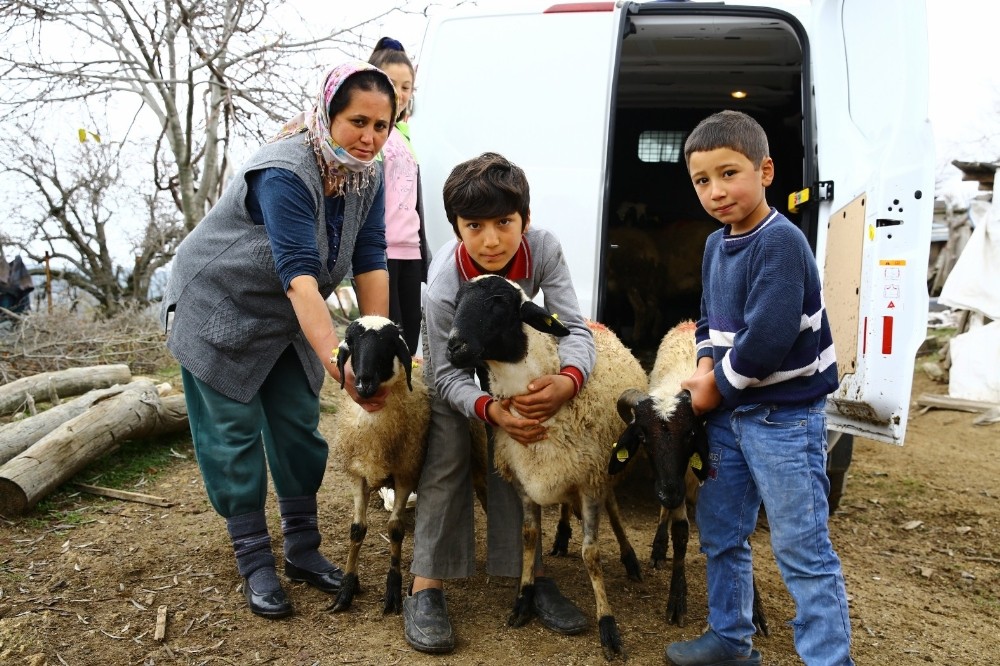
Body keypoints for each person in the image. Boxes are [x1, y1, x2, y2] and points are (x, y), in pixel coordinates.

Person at [160, 60, 396, 620]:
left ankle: (302, 550)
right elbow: (297, 275)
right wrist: (341, 367)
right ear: (328, 115)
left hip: (286, 316)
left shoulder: (369, 172)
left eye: (381, 126)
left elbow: (370, 255)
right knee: (234, 436)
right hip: (221, 308)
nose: (368, 138)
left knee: (296, 427)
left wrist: (374, 349)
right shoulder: (285, 171)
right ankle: (255, 561)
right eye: (357, 122)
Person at [668, 110, 853, 666]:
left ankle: (827, 659)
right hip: (731, 417)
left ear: (765, 170)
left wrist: (711, 388)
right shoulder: (714, 246)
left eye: (730, 174)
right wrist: (704, 362)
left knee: (801, 547)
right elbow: (709, 320)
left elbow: (767, 339)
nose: (717, 191)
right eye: (703, 180)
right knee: (722, 531)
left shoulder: (780, 243)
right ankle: (730, 638)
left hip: (784, 419)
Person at [403, 152, 595, 654]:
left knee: (520, 452)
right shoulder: (446, 280)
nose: (491, 240)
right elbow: (444, 371)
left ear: (525, 221)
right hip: (458, 365)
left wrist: (569, 379)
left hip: (512, 363)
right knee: (447, 456)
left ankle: (528, 572)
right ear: (456, 228)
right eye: (474, 226)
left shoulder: (544, 250)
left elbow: (573, 326)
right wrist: (486, 409)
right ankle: (426, 586)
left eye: (504, 223)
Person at [369, 37, 430, 356]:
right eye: (392, 83)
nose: (401, 93)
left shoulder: (404, 135)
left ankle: (406, 405)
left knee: (409, 343)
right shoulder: (372, 132)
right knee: (385, 341)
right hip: (380, 251)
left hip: (410, 251)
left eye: (407, 86)